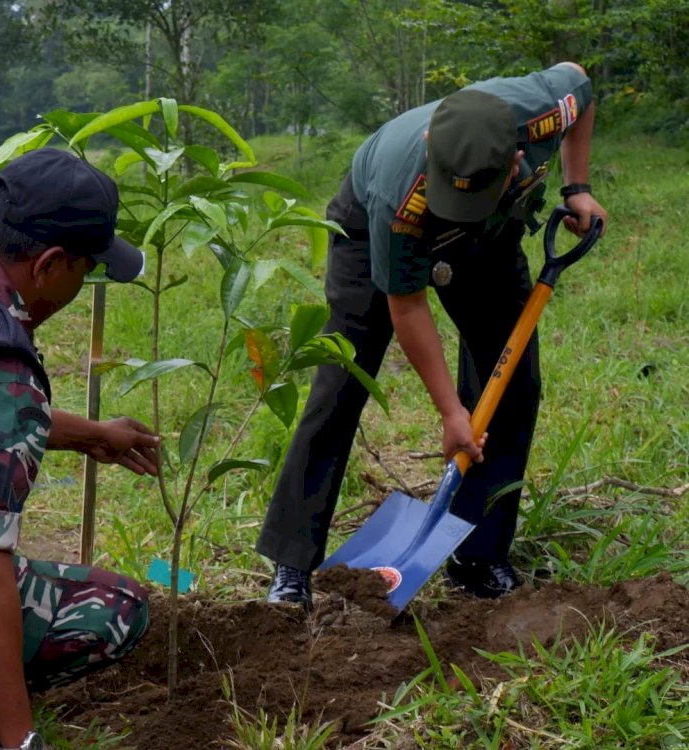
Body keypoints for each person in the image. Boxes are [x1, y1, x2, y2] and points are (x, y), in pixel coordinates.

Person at [257, 62, 608, 609]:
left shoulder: (542, 107)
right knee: (341, 380)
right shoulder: (403, 196)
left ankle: (479, 555)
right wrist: (451, 415)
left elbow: (581, 86)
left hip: (490, 234)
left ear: (516, 157)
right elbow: (408, 305)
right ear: (429, 143)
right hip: (373, 226)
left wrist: (578, 186)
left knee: (511, 382)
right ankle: (293, 562)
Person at [0, 148, 159, 749]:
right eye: (85, 269)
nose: (81, 285)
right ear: (51, 264)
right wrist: (21, 743)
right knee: (113, 607)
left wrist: (93, 434)